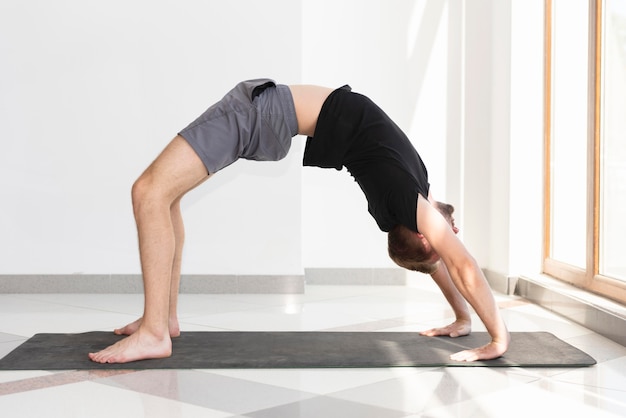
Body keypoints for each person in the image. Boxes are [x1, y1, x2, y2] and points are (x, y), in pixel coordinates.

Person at [88, 78, 510, 364]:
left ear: (423, 233)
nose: (456, 233)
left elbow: (460, 265)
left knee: (148, 192)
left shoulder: (405, 198)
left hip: (260, 113)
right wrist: (462, 317)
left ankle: (155, 334)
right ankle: (163, 321)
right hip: (266, 111)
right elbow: (438, 262)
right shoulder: (415, 194)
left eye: (448, 236)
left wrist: (498, 337)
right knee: (167, 195)